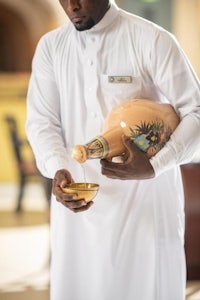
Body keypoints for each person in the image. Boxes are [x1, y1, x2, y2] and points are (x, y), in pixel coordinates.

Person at [26, 0, 200, 299]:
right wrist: (57, 168)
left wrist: (155, 166)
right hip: (76, 204)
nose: (72, 5)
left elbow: (195, 112)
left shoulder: (152, 39)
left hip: (144, 200)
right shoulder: (51, 48)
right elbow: (42, 122)